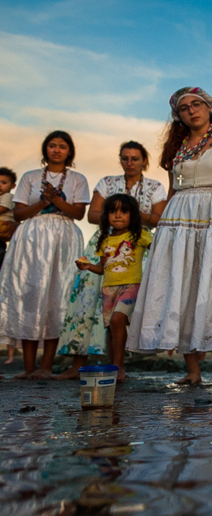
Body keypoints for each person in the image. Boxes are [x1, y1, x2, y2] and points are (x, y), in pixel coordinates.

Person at [127, 87, 212, 384]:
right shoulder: (176, 149)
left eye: (197, 104)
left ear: (208, 106)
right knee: (183, 285)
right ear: (178, 115)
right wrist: (163, 231)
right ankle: (193, 370)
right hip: (180, 219)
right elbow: (173, 190)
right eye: (185, 107)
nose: (192, 110)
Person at [56, 141, 167, 379]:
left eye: (135, 158)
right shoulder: (106, 183)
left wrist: (132, 216)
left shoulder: (155, 186)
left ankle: (121, 365)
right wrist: (117, 214)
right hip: (104, 243)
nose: (129, 163)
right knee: (87, 302)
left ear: (144, 161)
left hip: (139, 245)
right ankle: (78, 365)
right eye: (125, 158)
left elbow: (159, 219)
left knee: (128, 312)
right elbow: (92, 215)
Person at [0, 131, 90, 379]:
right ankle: (28, 368)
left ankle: (46, 368)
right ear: (45, 149)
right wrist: (42, 202)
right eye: (52, 145)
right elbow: (18, 214)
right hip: (31, 237)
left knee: (56, 297)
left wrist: (55, 200)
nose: (57, 150)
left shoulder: (77, 179)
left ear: (69, 151)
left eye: (62, 146)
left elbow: (79, 213)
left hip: (63, 237)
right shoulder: (30, 177)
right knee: (30, 296)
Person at [75, 194, 152, 381]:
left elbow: (158, 250)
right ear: (106, 216)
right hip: (108, 289)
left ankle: (119, 367)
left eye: (124, 211)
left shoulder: (140, 235)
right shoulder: (105, 241)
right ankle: (113, 365)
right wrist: (88, 267)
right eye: (112, 211)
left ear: (133, 215)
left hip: (131, 285)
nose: (118, 215)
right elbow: (103, 268)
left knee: (118, 321)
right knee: (111, 328)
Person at [0, 167, 18, 366]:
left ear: (12, 186)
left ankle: (12, 354)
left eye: (3, 182)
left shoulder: (8, 198)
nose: (0, 186)